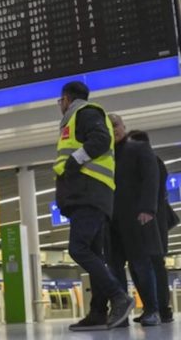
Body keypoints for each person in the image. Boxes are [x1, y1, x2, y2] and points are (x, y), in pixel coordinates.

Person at [53, 81, 134, 331]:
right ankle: (98, 312)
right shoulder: (76, 118)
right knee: (95, 253)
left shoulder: (85, 112)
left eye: (60, 101)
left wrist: (73, 163)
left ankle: (119, 297)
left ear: (66, 99)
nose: (60, 106)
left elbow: (100, 138)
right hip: (89, 195)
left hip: (88, 194)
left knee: (78, 248)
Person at [107, 116, 162, 326]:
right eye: (108, 127)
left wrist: (148, 208)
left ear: (124, 127)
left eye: (116, 126)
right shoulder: (104, 156)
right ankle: (121, 314)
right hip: (111, 219)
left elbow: (151, 177)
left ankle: (152, 310)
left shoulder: (138, 149)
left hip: (135, 216)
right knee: (115, 267)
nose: (113, 130)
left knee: (141, 264)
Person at [128, 129, 177, 324]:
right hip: (155, 224)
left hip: (149, 223)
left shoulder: (149, 162)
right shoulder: (154, 161)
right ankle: (157, 308)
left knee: (149, 265)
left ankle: (158, 308)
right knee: (150, 265)